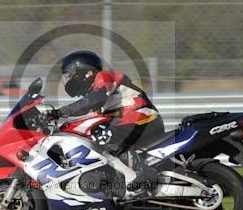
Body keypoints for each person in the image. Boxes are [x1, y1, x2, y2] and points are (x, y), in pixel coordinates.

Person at [47, 49, 164, 199]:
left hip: (144, 118)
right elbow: (88, 111)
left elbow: (95, 98)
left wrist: (60, 112)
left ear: (85, 70)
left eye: (69, 74)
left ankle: (142, 174)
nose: (67, 79)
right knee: (92, 134)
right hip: (132, 123)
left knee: (101, 134)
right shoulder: (99, 100)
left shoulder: (104, 77)